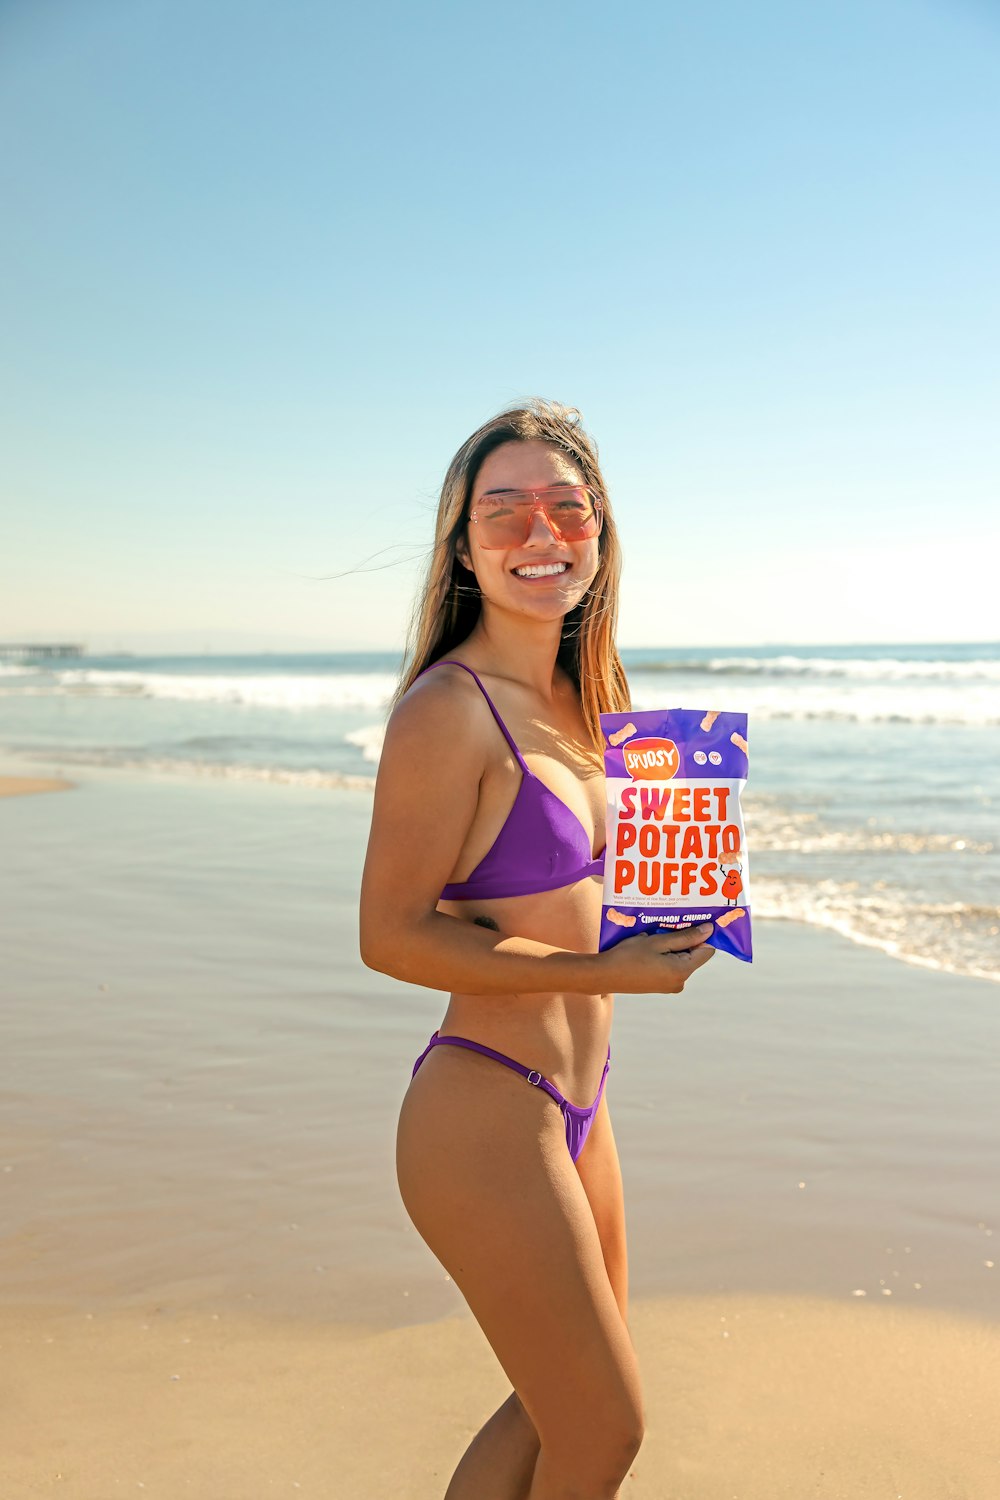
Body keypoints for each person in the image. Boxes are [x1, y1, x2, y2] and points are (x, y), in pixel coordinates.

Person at [359, 399, 716, 1500]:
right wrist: (610, 972)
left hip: (582, 1103)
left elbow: (570, 896)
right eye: (502, 510)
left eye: (566, 508)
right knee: (605, 1428)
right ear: (462, 546)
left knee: (559, 1409)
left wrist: (689, 896)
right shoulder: (448, 710)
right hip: (486, 1111)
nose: (538, 533)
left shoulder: (589, 702)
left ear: (599, 537)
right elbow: (387, 937)